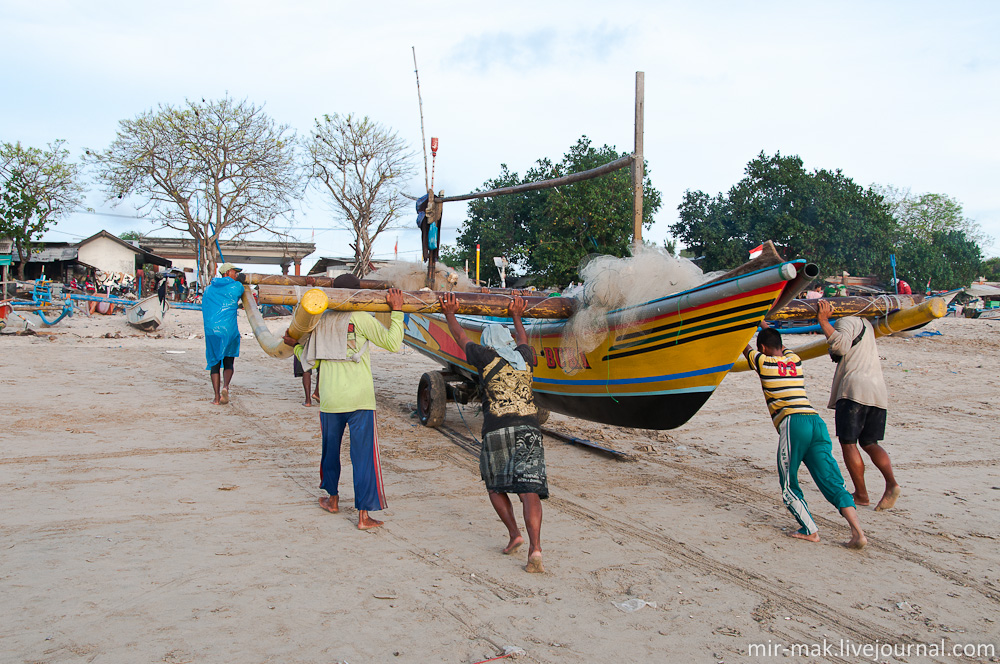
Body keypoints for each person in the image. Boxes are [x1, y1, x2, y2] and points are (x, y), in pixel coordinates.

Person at [282, 273, 404, 530]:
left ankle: (333, 500)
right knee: (364, 458)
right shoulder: (361, 318)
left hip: (330, 398)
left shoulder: (320, 320)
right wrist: (398, 311)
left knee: (330, 452)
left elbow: (309, 359)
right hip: (360, 399)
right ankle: (363, 516)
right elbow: (393, 343)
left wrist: (294, 347)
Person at [439, 292, 548, 573]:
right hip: (529, 429)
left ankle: (515, 534)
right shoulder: (525, 358)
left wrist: (450, 311)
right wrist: (516, 315)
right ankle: (535, 549)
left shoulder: (485, 357)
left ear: (489, 343)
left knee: (494, 485)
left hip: (498, 430)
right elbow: (523, 339)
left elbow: (460, 336)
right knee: (529, 490)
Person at [744, 325, 867, 549]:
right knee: (832, 480)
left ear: (762, 348)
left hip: (794, 423)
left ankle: (810, 530)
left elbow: (745, 346)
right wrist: (765, 325)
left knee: (788, 482)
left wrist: (744, 326)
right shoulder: (795, 359)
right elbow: (777, 346)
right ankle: (858, 532)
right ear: (781, 346)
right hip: (816, 422)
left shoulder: (762, 362)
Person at [817, 300, 900, 510]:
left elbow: (841, 345)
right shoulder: (867, 325)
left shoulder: (846, 321)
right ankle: (891, 483)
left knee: (848, 442)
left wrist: (823, 321)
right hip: (877, 390)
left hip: (854, 389)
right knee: (870, 442)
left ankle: (861, 494)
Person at [202, 263, 245, 405]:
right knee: (229, 361)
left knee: (214, 362)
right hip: (229, 329)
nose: (236, 275)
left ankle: (216, 398)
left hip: (212, 330)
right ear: (227, 272)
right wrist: (241, 279)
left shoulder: (208, 289)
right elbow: (241, 287)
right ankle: (226, 387)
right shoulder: (236, 286)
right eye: (234, 272)